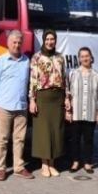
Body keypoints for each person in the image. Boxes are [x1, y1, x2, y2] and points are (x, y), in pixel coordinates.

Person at [0, 30, 34, 181]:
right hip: (4, 107)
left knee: (19, 139)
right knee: (2, 139)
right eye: (14, 42)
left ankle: (18, 167)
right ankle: (1, 168)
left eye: (19, 42)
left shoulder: (27, 61)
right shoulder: (0, 61)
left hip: (21, 107)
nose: (17, 45)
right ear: (8, 43)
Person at [29, 29, 69, 178]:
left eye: (52, 39)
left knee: (56, 131)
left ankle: (52, 164)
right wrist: (32, 99)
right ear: (44, 40)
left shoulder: (60, 58)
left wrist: (66, 97)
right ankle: (44, 164)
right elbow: (33, 79)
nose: (50, 42)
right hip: (43, 96)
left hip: (57, 96)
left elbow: (65, 78)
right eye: (47, 39)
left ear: (55, 40)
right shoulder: (36, 58)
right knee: (43, 131)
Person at [66, 46, 98, 175]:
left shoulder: (96, 75)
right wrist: (68, 111)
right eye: (82, 56)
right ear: (79, 59)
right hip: (76, 112)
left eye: (87, 56)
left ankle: (87, 163)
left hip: (90, 112)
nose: (85, 58)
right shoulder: (72, 74)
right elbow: (68, 93)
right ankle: (75, 162)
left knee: (88, 139)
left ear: (91, 57)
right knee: (75, 139)